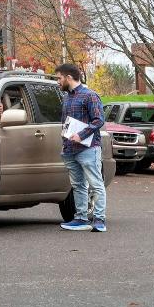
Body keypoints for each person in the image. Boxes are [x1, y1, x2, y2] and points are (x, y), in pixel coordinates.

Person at [56, 63, 106, 233]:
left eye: (59, 78)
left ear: (68, 78)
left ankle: (99, 220)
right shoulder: (67, 97)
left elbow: (99, 120)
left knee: (96, 183)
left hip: (88, 148)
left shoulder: (90, 96)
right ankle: (81, 218)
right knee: (78, 185)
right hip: (70, 149)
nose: (58, 81)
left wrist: (81, 135)